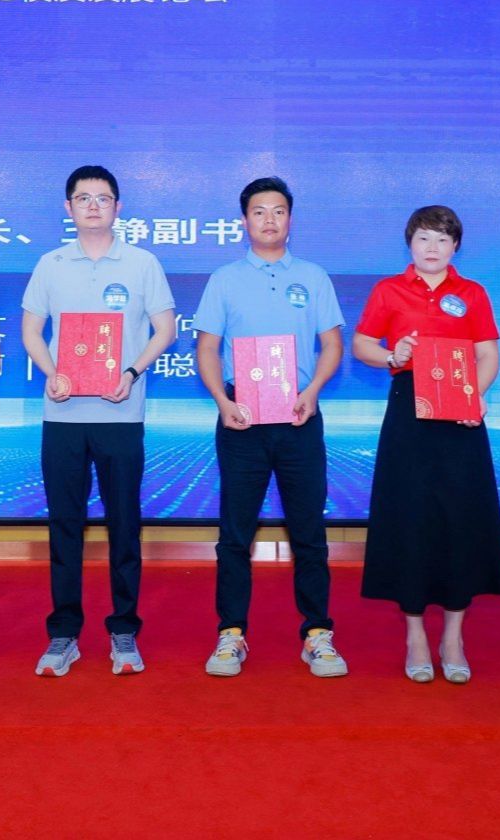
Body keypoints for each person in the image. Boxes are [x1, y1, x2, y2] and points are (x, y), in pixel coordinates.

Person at [21, 166, 176, 677]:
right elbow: (31, 330)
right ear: (68, 208)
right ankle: (64, 633)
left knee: (123, 524)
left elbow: (165, 329)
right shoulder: (51, 264)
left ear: (118, 206)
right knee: (64, 524)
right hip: (63, 414)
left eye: (103, 198)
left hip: (120, 413)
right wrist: (52, 372)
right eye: (83, 198)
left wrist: (131, 372)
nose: (93, 206)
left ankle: (124, 629)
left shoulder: (142, 263)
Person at [192, 176, 348, 678]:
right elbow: (207, 348)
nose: (269, 220)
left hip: (300, 416)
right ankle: (231, 633)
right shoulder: (225, 279)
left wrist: (313, 390)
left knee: (309, 532)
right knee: (235, 534)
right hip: (242, 419)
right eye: (259, 211)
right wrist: (222, 401)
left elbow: (333, 344)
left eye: (278, 211)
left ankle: (318, 633)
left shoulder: (313, 277)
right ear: (244, 220)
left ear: (290, 219)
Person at [352, 205, 500, 684]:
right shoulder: (389, 290)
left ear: (455, 246)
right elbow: (361, 344)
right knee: (411, 518)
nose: (433, 248)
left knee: (461, 519)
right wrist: (391, 355)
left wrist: (474, 396)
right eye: (424, 238)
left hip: (460, 414)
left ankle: (454, 637)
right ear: (410, 244)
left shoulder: (472, 292)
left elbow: (488, 354)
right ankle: (416, 635)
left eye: (442, 239)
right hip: (409, 413)